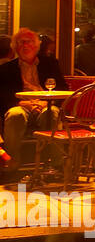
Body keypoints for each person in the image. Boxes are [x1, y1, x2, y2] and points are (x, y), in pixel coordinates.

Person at [0, 28, 68, 170]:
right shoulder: (6, 69)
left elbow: (63, 87)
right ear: (15, 47)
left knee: (52, 114)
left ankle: (57, 163)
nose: (25, 46)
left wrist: (47, 102)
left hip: (46, 103)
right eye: (21, 42)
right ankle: (12, 163)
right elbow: (3, 95)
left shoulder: (50, 64)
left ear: (36, 46)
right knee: (15, 115)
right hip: (21, 105)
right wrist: (22, 103)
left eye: (29, 42)